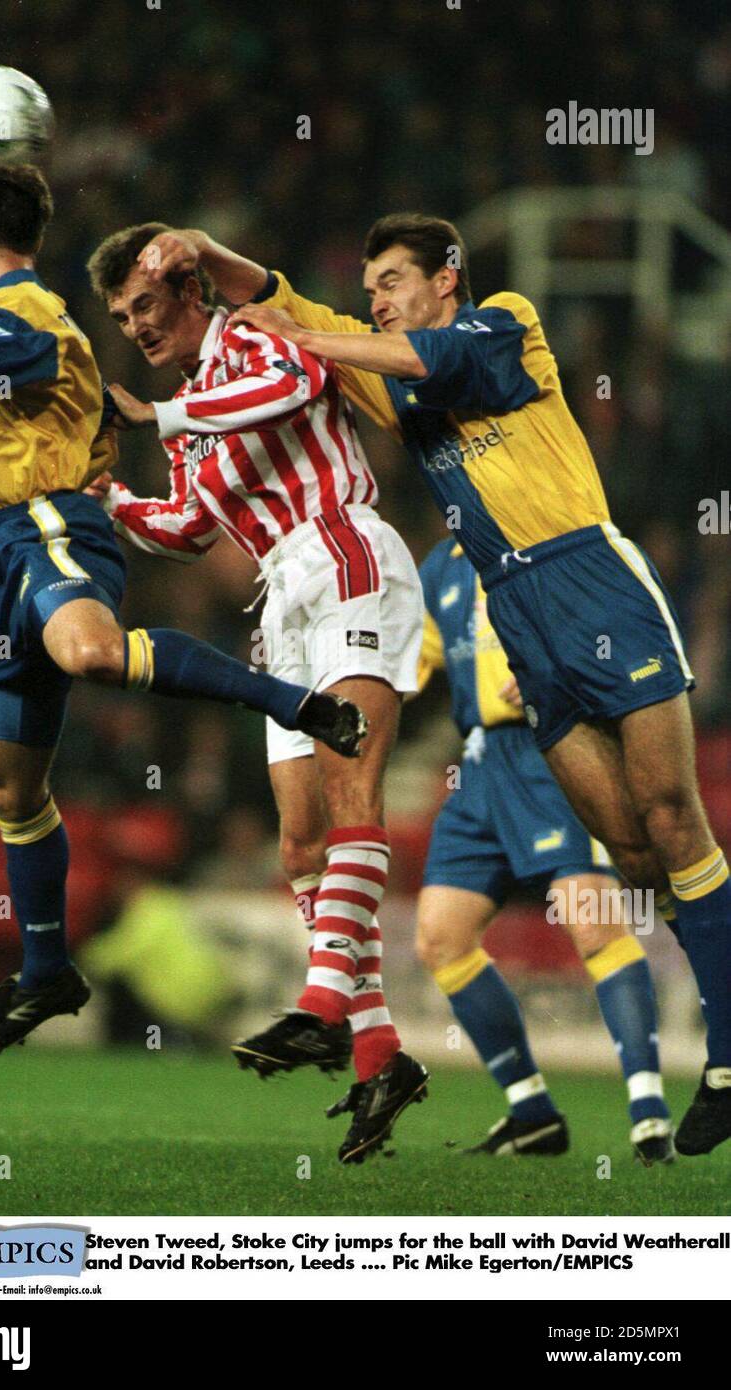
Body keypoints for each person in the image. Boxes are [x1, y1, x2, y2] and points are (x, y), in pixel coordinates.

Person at [135, 219, 730, 1158]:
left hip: (586, 572)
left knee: (671, 817)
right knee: (629, 849)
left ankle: (725, 1062)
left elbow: (382, 347)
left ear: (445, 277)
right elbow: (284, 299)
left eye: (392, 279)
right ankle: (547, 1099)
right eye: (367, 282)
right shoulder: (388, 368)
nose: (375, 296)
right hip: (519, 616)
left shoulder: (504, 322)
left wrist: (297, 342)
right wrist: (211, 257)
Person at [0, 166, 365, 1055]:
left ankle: (291, 701)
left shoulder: (22, 311)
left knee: (92, 653)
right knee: (7, 792)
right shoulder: (18, 327)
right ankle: (47, 969)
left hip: (42, 530)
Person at [83, 223, 428, 1164]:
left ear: (188, 290)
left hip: (345, 547)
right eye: (121, 318)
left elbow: (303, 382)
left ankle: (321, 1007)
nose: (136, 329)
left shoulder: (249, 333)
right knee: (299, 839)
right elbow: (191, 526)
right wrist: (105, 500)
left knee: (354, 790)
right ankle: (381, 1051)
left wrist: (156, 418)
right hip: (279, 598)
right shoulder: (194, 402)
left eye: (145, 306)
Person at [413, 539, 673, 1166]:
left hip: (554, 746)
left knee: (590, 919)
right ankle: (531, 1112)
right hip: (479, 762)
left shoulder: (550, 536)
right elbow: (408, 662)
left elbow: (618, 628)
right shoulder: (440, 566)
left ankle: (649, 1111)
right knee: (440, 937)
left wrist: (557, 670)